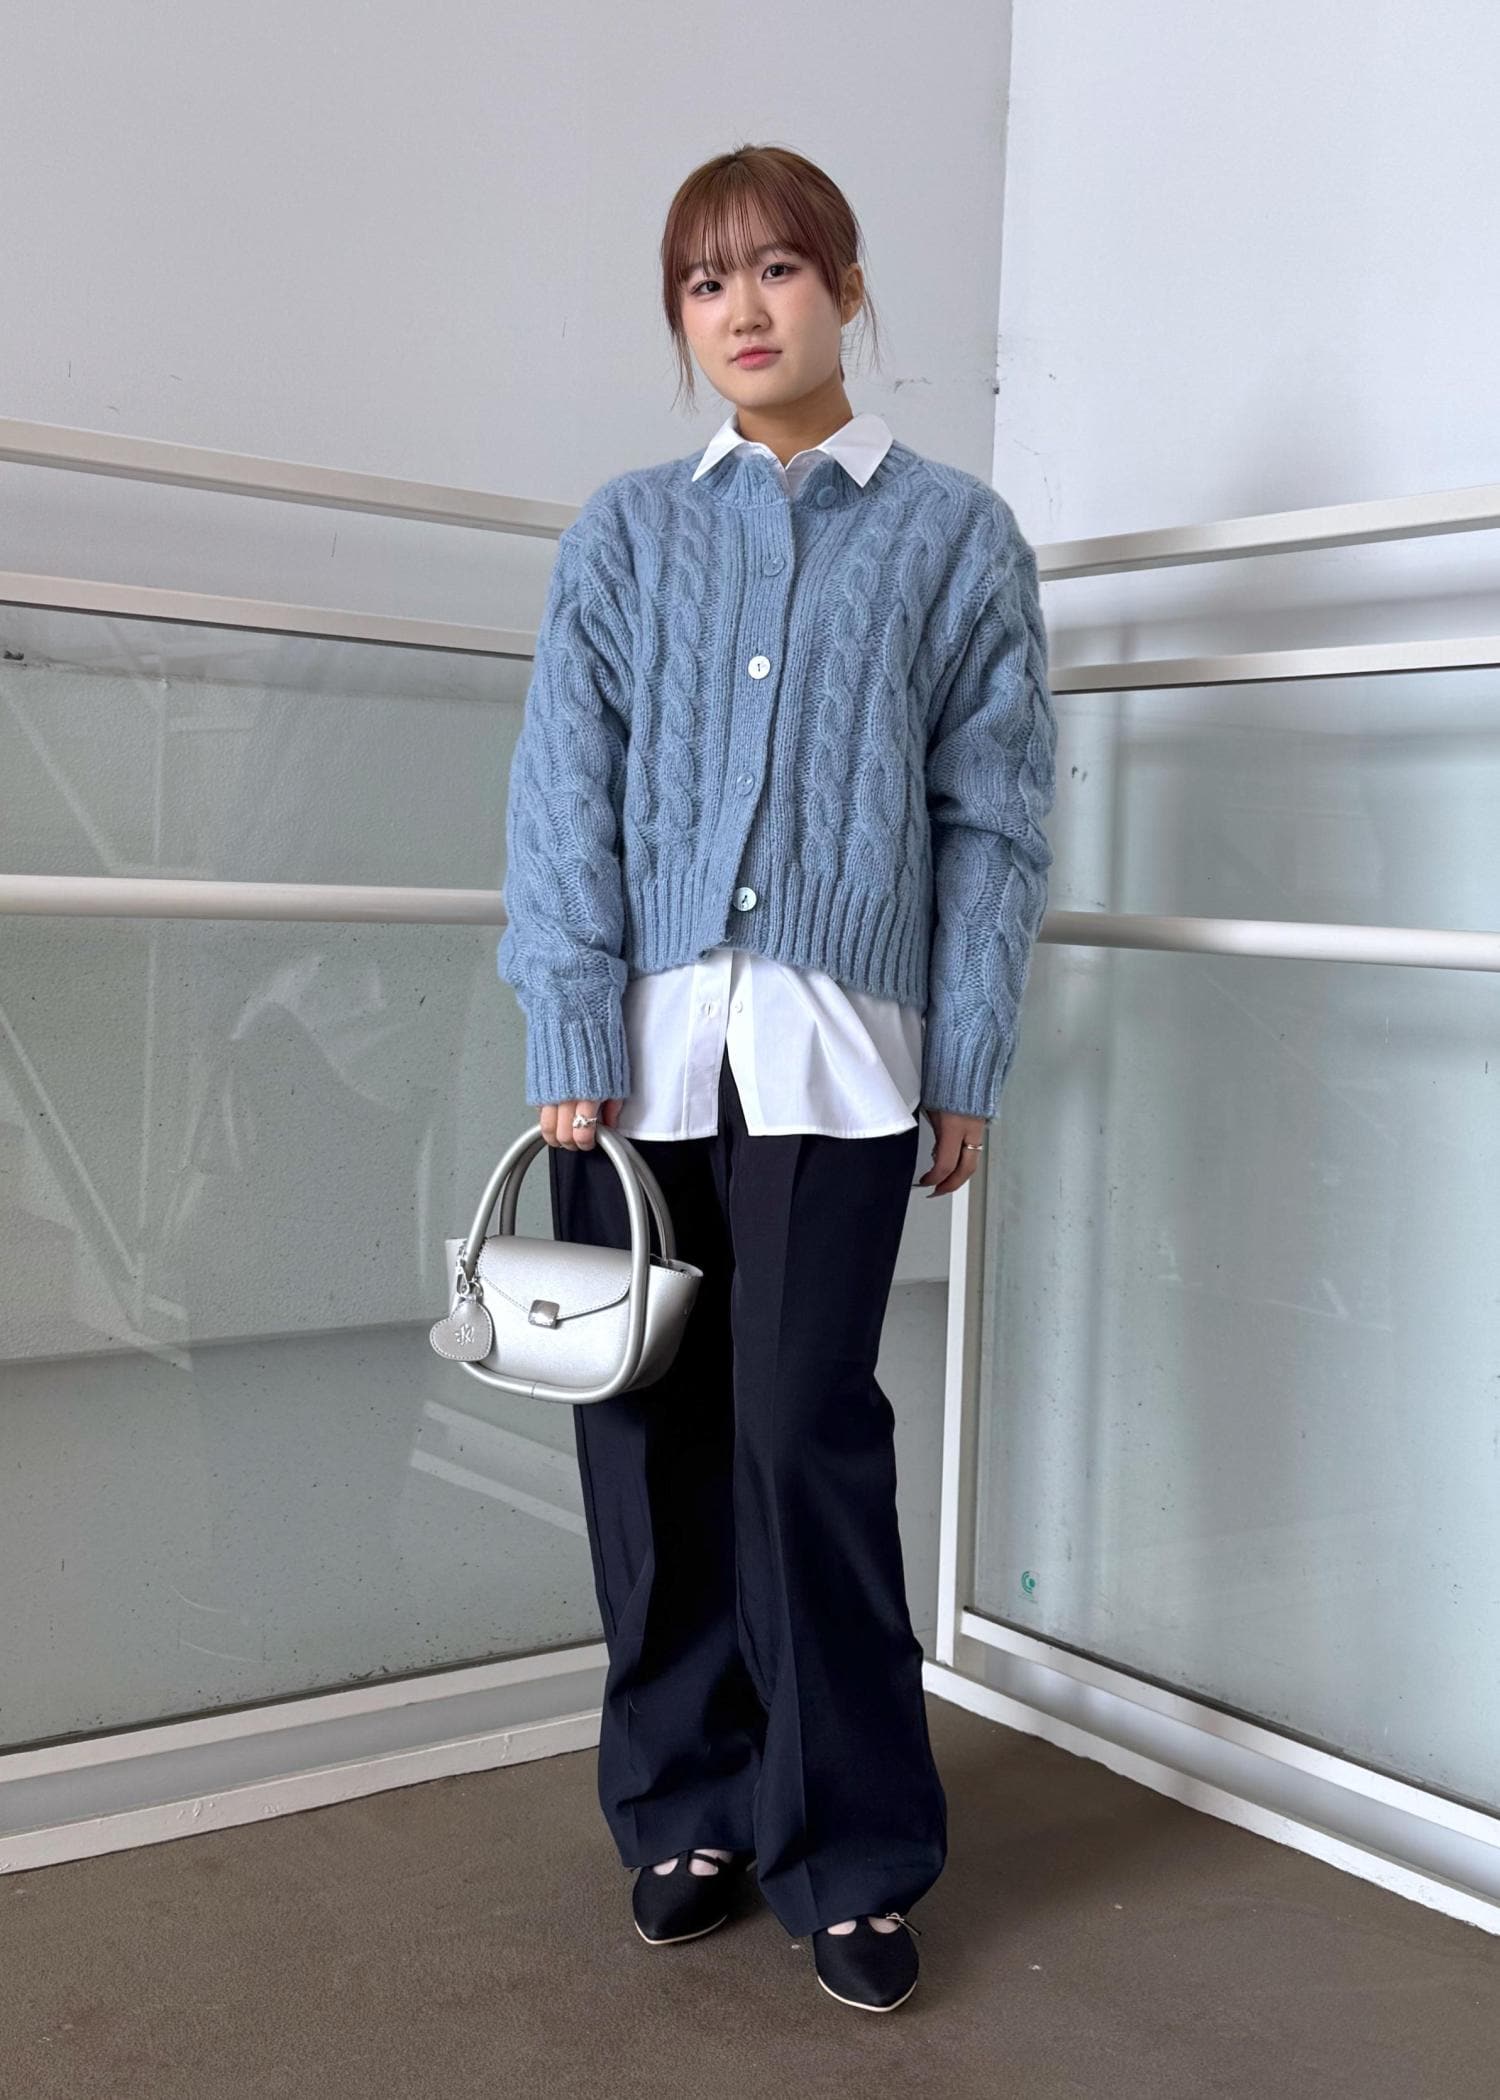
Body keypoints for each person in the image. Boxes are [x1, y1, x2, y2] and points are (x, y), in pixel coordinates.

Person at [497, 142, 1057, 2014]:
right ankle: (684, 1809)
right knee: (646, 1446)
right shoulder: (625, 533)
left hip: (841, 1066)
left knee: (802, 1437)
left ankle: (855, 1854)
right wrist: (569, 1018)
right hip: (636, 1074)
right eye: (703, 280)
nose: (741, 308)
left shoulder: (956, 536)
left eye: (777, 268)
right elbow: (560, 791)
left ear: (847, 286)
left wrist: (965, 1053)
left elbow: (994, 821)